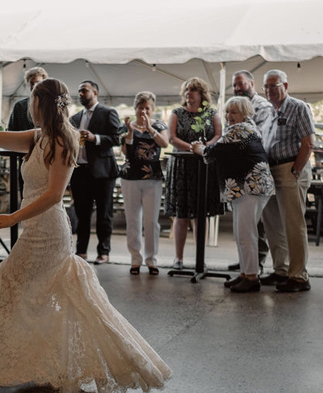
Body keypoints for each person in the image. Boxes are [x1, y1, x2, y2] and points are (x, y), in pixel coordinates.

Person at [0, 78, 171, 393]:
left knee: (8, 297)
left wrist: (13, 217)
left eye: (33, 100)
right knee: (43, 301)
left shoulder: (65, 139)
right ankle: (42, 366)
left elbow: (55, 195)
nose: (29, 106)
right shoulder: (37, 137)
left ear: (42, 103)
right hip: (35, 231)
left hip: (47, 233)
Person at [192, 97, 274, 292]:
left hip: (249, 187)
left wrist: (198, 148)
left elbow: (213, 152)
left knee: (246, 232)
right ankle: (246, 273)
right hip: (247, 187)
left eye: (234, 112)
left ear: (245, 113)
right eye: (227, 112)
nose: (229, 116)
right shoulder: (248, 127)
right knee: (242, 232)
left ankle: (252, 277)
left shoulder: (240, 129)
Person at [259, 69, 315, 292]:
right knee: (272, 224)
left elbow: (308, 143)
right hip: (270, 172)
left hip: (290, 168)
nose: (269, 90)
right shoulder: (270, 111)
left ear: (286, 86)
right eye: (266, 86)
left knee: (293, 224)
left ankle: (299, 276)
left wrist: (295, 170)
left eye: (274, 85)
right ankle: (281, 269)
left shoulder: (298, 107)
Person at [165, 77, 223, 270]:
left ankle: (200, 257)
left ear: (201, 94)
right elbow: (172, 138)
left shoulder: (211, 114)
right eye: (187, 90)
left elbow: (218, 134)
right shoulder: (176, 113)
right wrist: (192, 148)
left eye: (193, 90)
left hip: (204, 166)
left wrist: (204, 148)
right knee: (181, 215)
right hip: (181, 165)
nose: (189, 93)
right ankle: (178, 258)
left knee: (200, 215)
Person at [69, 80, 122, 265]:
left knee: (104, 213)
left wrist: (95, 138)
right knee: (81, 214)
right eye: (79, 91)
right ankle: (81, 251)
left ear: (95, 92)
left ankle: (103, 252)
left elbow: (117, 138)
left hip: (103, 173)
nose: (81, 94)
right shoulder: (74, 118)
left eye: (84, 90)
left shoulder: (108, 113)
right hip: (79, 172)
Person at [228, 70, 273, 274]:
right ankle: (247, 264)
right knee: (245, 227)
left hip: (256, 175)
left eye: (241, 84)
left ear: (252, 83)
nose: (238, 88)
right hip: (243, 174)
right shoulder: (237, 110)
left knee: (256, 225)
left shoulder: (262, 107)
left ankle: (256, 267)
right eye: (235, 85)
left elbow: (260, 137)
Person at [121, 91, 169, 275]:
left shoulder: (159, 125)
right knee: (133, 220)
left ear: (152, 109)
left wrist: (150, 128)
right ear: (135, 108)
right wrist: (130, 133)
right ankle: (135, 259)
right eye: (140, 107)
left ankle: (151, 259)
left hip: (152, 178)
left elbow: (164, 143)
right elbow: (126, 152)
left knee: (151, 221)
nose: (143, 111)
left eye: (147, 108)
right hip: (130, 177)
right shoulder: (127, 125)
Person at [8, 67, 47, 132]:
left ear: (44, 83)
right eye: (32, 83)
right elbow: (12, 130)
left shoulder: (51, 105)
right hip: (23, 141)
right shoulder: (20, 106)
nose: (34, 86)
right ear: (28, 84)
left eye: (38, 82)